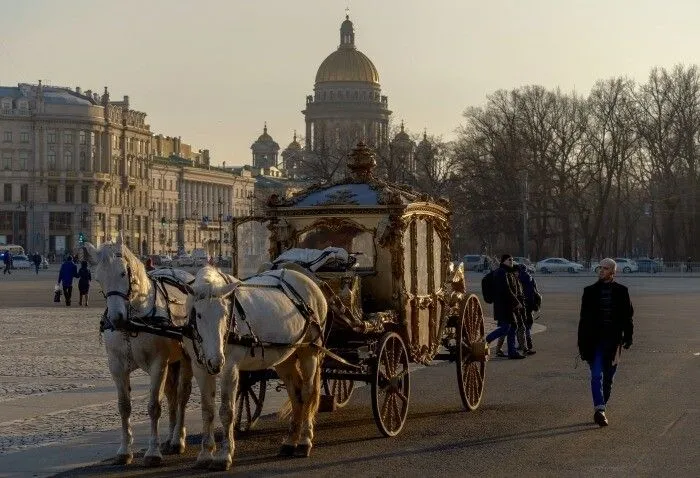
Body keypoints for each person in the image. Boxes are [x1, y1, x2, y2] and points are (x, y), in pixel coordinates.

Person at [578, 258, 634, 427]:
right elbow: (583, 320)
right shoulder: (589, 291)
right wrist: (581, 344)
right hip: (593, 341)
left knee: (608, 377)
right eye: (600, 268)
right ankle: (599, 409)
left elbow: (628, 317)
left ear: (613, 272)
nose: (601, 271)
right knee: (596, 375)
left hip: (613, 341)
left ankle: (602, 406)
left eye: (605, 268)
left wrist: (628, 337)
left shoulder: (622, 291)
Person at [485, 254, 526, 359]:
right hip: (503, 305)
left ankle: (512, 352)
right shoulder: (501, 272)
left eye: (512, 259)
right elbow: (506, 289)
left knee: (513, 327)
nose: (511, 261)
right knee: (506, 328)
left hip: (509, 305)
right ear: (503, 261)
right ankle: (487, 340)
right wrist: (517, 302)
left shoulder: (508, 272)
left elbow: (513, 289)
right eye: (509, 260)